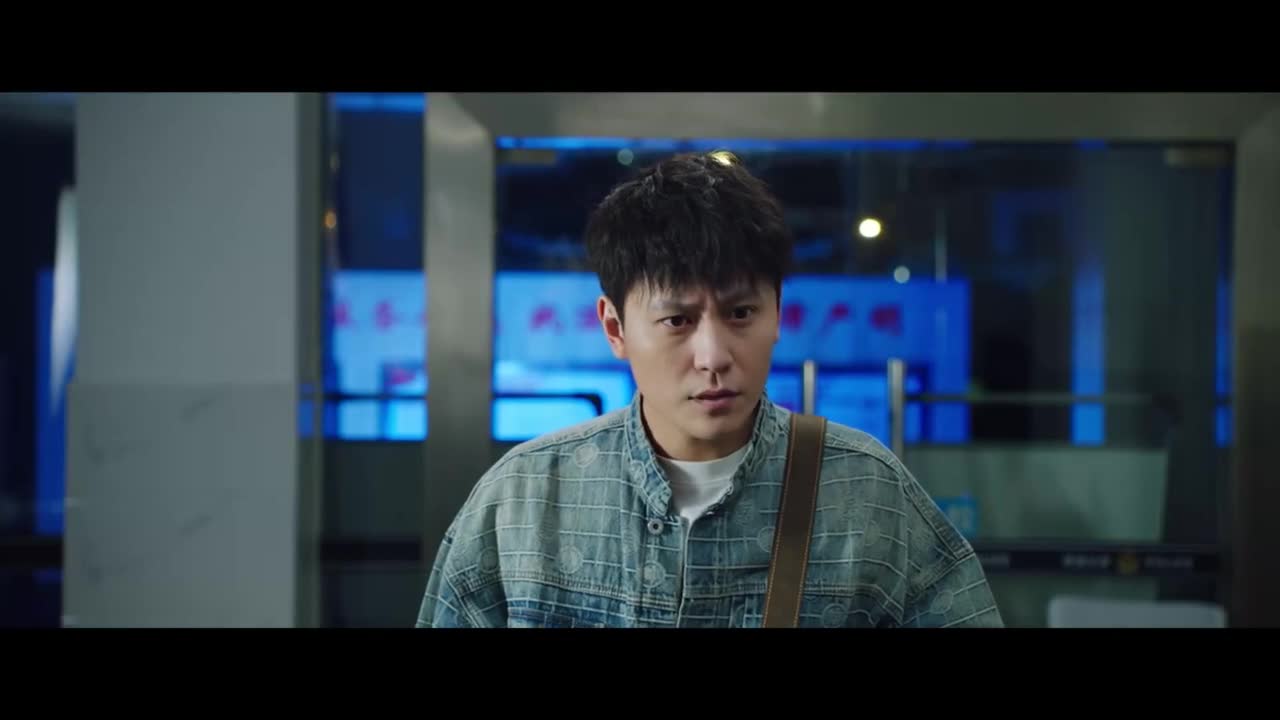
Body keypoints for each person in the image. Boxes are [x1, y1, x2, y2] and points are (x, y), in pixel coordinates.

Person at [415, 151, 1003, 628]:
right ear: (615, 329)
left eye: (741, 313)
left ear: (778, 314)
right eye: (677, 320)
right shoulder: (522, 500)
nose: (715, 356)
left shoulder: (865, 491)